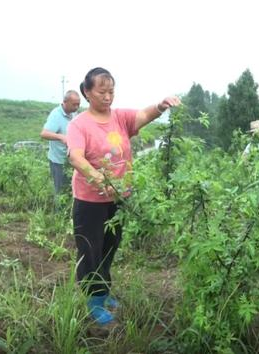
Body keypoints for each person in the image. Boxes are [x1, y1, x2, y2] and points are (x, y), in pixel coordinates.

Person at [66, 67, 180, 326]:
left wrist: (161, 106)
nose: (108, 97)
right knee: (90, 251)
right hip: (89, 202)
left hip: (118, 200)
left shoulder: (119, 118)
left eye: (111, 91)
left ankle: (103, 292)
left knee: (109, 248)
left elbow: (142, 115)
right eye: (101, 91)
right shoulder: (79, 125)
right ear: (87, 92)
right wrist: (98, 178)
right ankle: (93, 302)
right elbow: (76, 157)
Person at [40, 90, 81, 195]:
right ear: (65, 102)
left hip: (72, 159)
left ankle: (69, 211)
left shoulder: (74, 113)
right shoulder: (56, 115)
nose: (76, 107)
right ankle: (59, 211)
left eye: (78, 104)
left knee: (72, 189)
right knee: (61, 191)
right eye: (74, 105)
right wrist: (60, 137)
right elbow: (44, 134)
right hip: (59, 161)